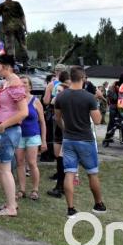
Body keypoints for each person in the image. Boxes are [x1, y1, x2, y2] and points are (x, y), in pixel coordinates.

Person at [0, 54, 29, 217]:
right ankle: (11, 202)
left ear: (7, 67)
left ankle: (11, 207)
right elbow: (4, 107)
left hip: (7, 131)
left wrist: (4, 125)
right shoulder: (5, 83)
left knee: (5, 168)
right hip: (0, 129)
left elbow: (24, 112)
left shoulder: (15, 83)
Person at [54, 66, 105, 218]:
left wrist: (65, 128)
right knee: (92, 173)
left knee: (69, 173)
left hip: (68, 139)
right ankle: (98, 204)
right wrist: (98, 102)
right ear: (83, 78)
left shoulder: (61, 96)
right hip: (85, 140)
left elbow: (57, 118)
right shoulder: (89, 97)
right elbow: (97, 121)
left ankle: (71, 208)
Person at [15, 76, 47, 201]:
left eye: (25, 83)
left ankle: (35, 189)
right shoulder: (16, 100)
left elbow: (43, 122)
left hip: (33, 135)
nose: (23, 85)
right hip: (19, 135)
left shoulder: (35, 101)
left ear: (30, 86)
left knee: (32, 163)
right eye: (20, 83)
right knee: (19, 163)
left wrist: (44, 140)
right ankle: (22, 189)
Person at [46, 69, 70, 198]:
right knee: (57, 156)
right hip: (58, 131)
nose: (58, 94)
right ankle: (61, 184)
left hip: (66, 131)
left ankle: (60, 187)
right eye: (57, 92)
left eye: (60, 92)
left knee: (62, 157)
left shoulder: (69, 102)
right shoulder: (57, 100)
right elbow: (49, 102)